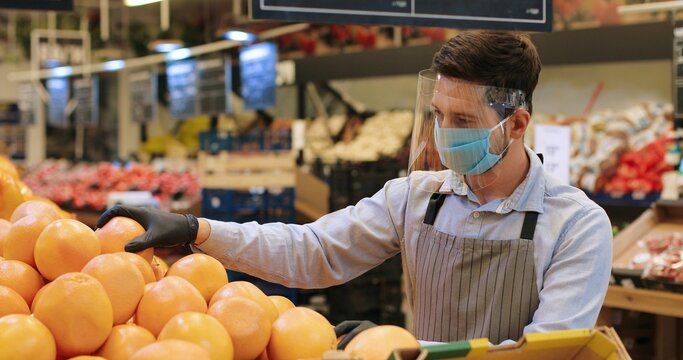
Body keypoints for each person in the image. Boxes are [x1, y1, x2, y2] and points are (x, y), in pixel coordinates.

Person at [98, 30, 612, 344]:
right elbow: (314, 249)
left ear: (517, 124)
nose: (443, 134)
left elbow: (546, 350)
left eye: (462, 119)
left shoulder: (575, 226)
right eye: (437, 116)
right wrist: (199, 228)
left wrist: (406, 350)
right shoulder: (417, 197)